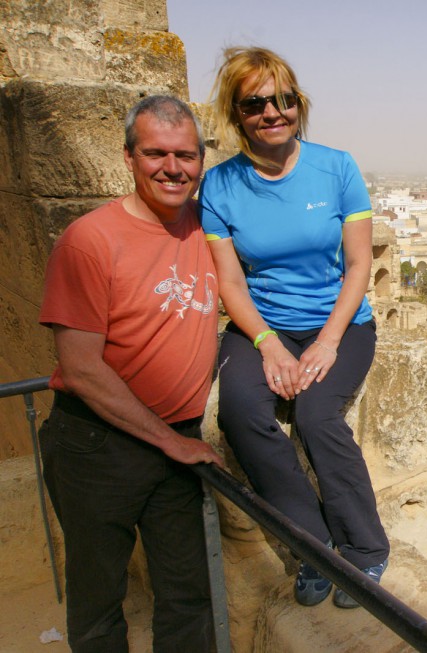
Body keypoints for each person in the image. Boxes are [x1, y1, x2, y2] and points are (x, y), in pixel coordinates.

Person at [200, 46, 389, 609]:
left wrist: (328, 341)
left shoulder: (337, 168)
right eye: (255, 103)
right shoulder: (221, 186)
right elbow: (231, 284)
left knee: (314, 413)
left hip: (341, 322)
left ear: (298, 104)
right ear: (237, 116)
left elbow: (358, 266)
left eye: (284, 99)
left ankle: (365, 546)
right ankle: (313, 543)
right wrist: (268, 345)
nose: (272, 112)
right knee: (241, 411)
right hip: (261, 323)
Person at [37, 96, 223, 652]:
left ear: (201, 161)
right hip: (98, 446)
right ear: (128, 157)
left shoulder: (209, 228)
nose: (173, 168)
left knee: (189, 595)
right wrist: (170, 441)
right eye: (156, 154)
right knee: (98, 602)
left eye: (186, 155)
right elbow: (82, 369)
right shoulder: (91, 241)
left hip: (177, 442)